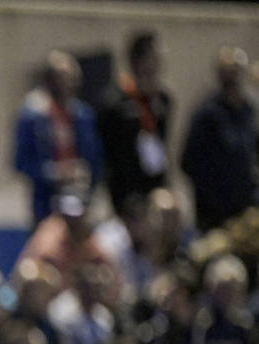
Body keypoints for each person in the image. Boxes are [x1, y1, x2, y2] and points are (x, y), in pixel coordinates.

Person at [14, 51, 103, 222]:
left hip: (81, 200)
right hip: (46, 204)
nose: (67, 83)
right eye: (60, 77)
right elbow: (20, 162)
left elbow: (95, 158)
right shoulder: (32, 116)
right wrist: (54, 172)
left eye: (71, 77)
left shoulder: (83, 116)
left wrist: (84, 174)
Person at [181, 47, 258, 232]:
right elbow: (188, 162)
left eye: (236, 73)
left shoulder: (247, 111)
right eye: (227, 73)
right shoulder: (207, 114)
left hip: (245, 214)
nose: (232, 79)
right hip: (215, 217)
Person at [95, 31, 172, 215]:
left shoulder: (163, 100)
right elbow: (106, 153)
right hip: (126, 196)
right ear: (138, 60)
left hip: (155, 191)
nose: (160, 61)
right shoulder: (114, 102)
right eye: (154, 56)